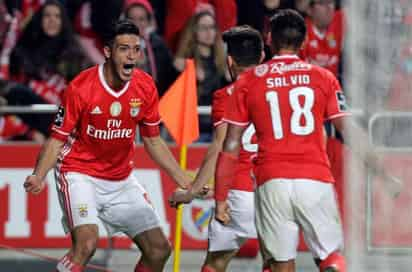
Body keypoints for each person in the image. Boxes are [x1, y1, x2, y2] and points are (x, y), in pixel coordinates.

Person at [215, 9, 401, 272]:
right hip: (315, 179)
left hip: (272, 180)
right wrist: (383, 173)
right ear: (303, 43)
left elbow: (231, 143)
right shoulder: (323, 78)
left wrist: (221, 198)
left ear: (269, 40)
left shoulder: (248, 81)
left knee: (280, 263)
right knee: (330, 257)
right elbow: (349, 130)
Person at [23, 20, 192, 272]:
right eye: (124, 49)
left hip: (121, 179)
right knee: (87, 244)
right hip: (79, 174)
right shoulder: (81, 88)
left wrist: (184, 179)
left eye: (136, 49)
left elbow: (153, 140)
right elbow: (56, 139)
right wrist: (39, 175)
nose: (132, 56)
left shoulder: (145, 87)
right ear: (108, 51)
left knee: (158, 250)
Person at [169, 25, 269, 272]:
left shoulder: (225, 96)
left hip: (239, 194)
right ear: (263, 58)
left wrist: (191, 192)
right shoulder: (279, 92)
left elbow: (219, 147)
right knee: (276, 260)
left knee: (215, 264)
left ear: (230, 61)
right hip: (274, 189)